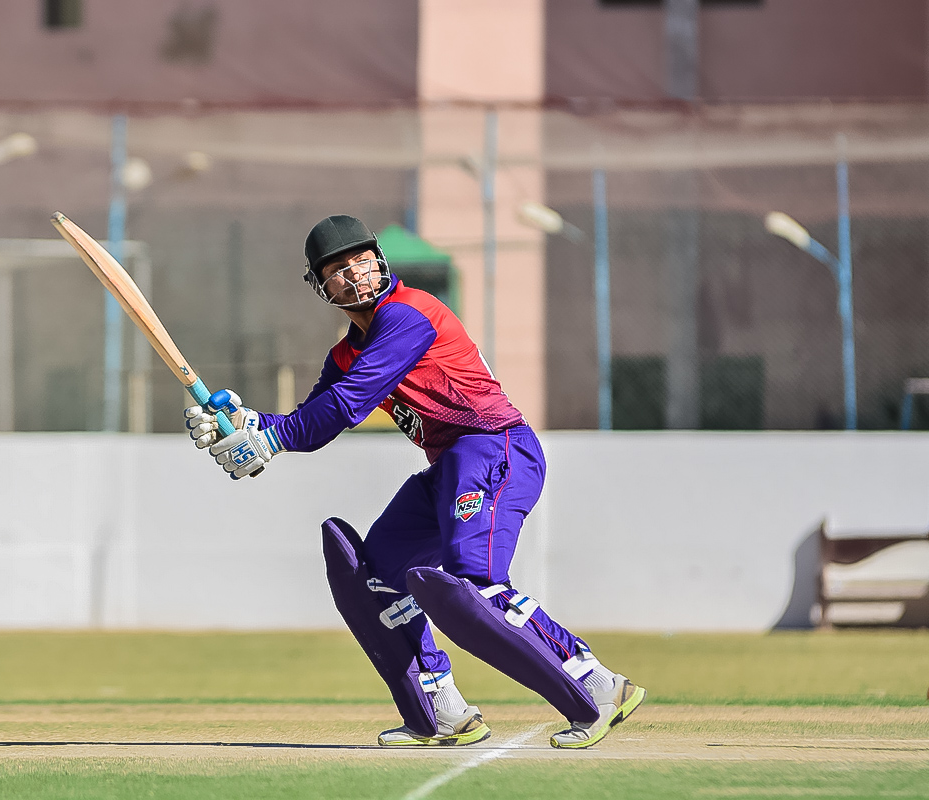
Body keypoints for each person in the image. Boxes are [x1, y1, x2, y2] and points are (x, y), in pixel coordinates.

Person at [184, 215, 645, 747]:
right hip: (448, 466)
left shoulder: (409, 314)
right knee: (378, 577)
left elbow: (348, 402)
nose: (354, 274)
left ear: (380, 261)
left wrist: (270, 440)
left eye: (361, 260)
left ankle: (598, 684)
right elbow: (312, 423)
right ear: (320, 286)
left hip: (494, 448)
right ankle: (442, 710)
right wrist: (243, 421)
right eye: (338, 270)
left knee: (475, 581)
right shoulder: (346, 353)